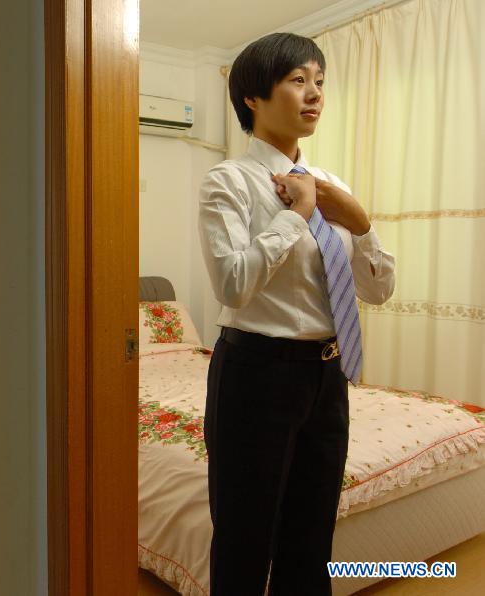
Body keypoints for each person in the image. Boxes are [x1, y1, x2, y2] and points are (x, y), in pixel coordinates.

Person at [198, 32, 396, 595]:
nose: (313, 95)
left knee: (311, 539)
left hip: (327, 375)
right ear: (253, 98)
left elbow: (376, 292)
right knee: (243, 538)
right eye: (297, 80)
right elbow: (232, 284)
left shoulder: (334, 188)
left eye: (319, 82)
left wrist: (359, 221)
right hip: (257, 372)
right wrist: (296, 216)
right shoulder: (228, 181)